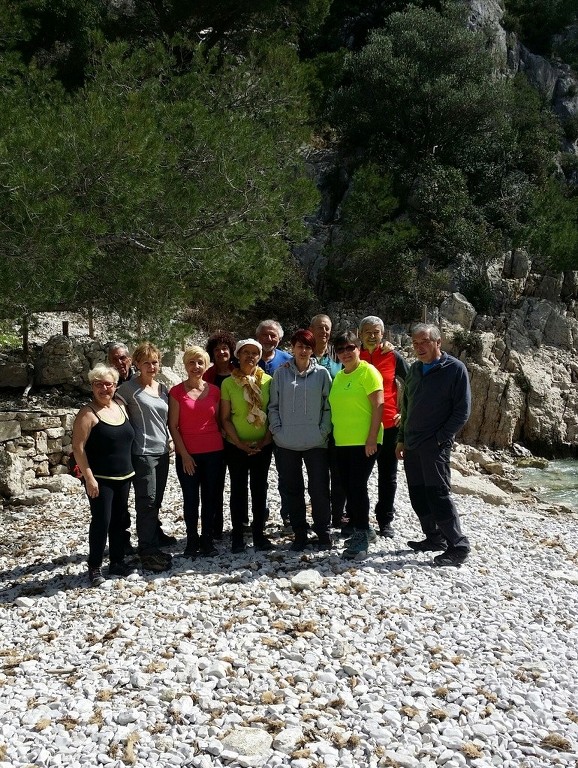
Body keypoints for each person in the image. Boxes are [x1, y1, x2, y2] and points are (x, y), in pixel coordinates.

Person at [395, 323, 471, 567]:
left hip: (435, 446)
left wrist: (441, 438)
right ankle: (434, 538)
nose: (419, 347)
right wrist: (400, 439)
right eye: (415, 343)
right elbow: (406, 407)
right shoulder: (415, 369)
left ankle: (458, 547)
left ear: (438, 342)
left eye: (424, 342)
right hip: (412, 443)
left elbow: (462, 411)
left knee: (438, 495)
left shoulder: (455, 369)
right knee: (418, 494)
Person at [72, 363, 137, 586]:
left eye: (108, 384)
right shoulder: (87, 413)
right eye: (98, 384)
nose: (103, 388)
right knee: (102, 521)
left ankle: (117, 562)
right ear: (92, 387)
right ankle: (95, 567)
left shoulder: (120, 406)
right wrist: (88, 478)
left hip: (125, 476)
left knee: (120, 521)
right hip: (100, 480)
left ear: (115, 386)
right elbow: (78, 448)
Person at [268, 329, 332, 551]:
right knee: (293, 489)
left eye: (307, 346)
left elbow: (328, 406)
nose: (303, 350)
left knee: (319, 489)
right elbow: (273, 406)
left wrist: (323, 431)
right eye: (299, 346)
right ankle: (300, 533)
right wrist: (277, 430)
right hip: (286, 443)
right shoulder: (281, 374)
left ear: (312, 349)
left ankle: (323, 532)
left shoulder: (323, 374)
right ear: (292, 348)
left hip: (316, 443)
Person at [116, 342, 175, 573]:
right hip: (142, 453)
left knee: (156, 500)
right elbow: (115, 414)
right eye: (146, 362)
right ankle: (147, 551)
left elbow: (165, 419)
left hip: (162, 451)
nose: (151, 366)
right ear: (137, 364)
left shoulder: (162, 389)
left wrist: (171, 439)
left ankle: (153, 539)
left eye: (155, 362)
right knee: (147, 502)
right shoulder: (128, 389)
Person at [328, 331, 384, 560]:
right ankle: (366, 530)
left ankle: (361, 535)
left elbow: (379, 405)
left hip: (364, 442)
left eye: (349, 348)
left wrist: (372, 438)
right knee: (349, 487)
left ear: (358, 347)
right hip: (342, 442)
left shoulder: (368, 372)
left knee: (357, 487)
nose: (345, 353)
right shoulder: (340, 376)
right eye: (340, 349)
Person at [169, 346, 224, 558]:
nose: (196, 367)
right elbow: (173, 426)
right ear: (185, 365)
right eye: (192, 362)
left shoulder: (215, 391)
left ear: (206, 364)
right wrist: (184, 455)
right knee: (191, 499)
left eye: (200, 362)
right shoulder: (176, 392)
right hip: (188, 455)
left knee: (210, 498)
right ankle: (191, 540)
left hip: (214, 452)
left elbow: (218, 422)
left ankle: (208, 540)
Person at [220, 339, 274, 553]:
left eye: (254, 353)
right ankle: (237, 536)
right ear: (238, 355)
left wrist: (265, 439)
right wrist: (240, 443)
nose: (250, 356)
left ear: (259, 357)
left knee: (260, 489)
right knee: (238, 490)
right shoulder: (228, 383)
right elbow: (225, 418)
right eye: (245, 352)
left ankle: (259, 534)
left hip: (263, 444)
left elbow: (273, 413)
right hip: (236, 446)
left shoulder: (268, 381)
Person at [359, 315, 409, 538]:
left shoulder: (392, 355)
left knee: (387, 475)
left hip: (389, 424)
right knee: (358, 475)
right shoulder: (352, 355)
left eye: (376, 332)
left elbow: (413, 385)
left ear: (383, 334)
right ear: (359, 334)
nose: (372, 336)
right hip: (359, 426)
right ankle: (357, 518)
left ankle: (385, 520)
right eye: (367, 331)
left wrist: (404, 413)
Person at [309, 313, 344, 528]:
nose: (324, 332)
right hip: (311, 425)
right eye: (320, 327)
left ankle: (338, 515)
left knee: (339, 473)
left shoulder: (339, 356)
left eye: (327, 328)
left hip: (337, 424)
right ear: (311, 329)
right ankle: (319, 517)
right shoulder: (301, 355)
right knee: (317, 477)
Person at [256, 319, 292, 526]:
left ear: (280, 338)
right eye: (265, 335)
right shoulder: (249, 358)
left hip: (283, 427)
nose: (269, 339)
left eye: (273, 335)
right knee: (259, 476)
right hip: (255, 428)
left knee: (285, 474)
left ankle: (288, 514)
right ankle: (260, 514)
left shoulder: (288, 360)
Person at [202, 330, 237, 538]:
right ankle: (215, 526)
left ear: (231, 350)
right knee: (215, 483)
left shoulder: (239, 372)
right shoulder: (207, 375)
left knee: (237, 481)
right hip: (214, 434)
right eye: (217, 350)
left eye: (224, 348)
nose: (221, 352)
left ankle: (239, 523)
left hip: (235, 433)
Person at [107, 342, 136, 555]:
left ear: (130, 359)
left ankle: (153, 531)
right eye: (115, 359)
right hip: (118, 449)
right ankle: (121, 540)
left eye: (123, 358)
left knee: (148, 495)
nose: (120, 362)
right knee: (120, 500)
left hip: (141, 445)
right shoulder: (106, 384)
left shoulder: (139, 379)